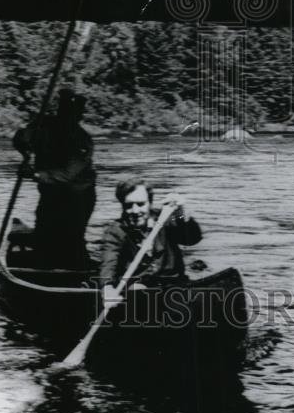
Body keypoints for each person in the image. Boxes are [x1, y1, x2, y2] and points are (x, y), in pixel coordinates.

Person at [13, 88, 96, 269]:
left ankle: (78, 268)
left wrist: (34, 174)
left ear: (79, 116)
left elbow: (66, 175)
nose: (70, 118)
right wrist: (25, 147)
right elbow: (20, 138)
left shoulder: (82, 140)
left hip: (79, 196)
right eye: (65, 111)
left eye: (75, 114)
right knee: (44, 230)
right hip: (51, 193)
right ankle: (41, 265)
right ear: (60, 110)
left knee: (73, 237)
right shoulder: (45, 125)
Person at [99, 178, 202, 307]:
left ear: (150, 203)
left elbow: (191, 239)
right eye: (129, 205)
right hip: (138, 290)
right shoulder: (115, 231)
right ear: (122, 205)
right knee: (137, 291)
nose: (136, 211)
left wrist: (181, 213)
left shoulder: (166, 218)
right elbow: (108, 263)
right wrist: (107, 288)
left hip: (174, 285)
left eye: (141, 204)